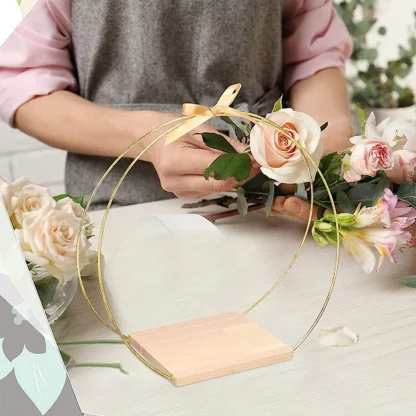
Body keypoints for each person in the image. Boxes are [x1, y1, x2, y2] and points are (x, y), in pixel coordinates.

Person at [0, 0, 353, 219]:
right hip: (116, 210)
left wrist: (331, 148)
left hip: (272, 209)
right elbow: (21, 76)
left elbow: (312, 52)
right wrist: (147, 138)